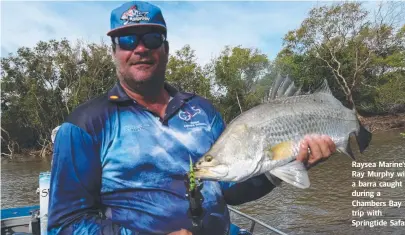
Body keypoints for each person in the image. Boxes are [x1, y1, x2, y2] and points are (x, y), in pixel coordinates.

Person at [47, 1, 336, 234]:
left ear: (166, 48)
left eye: (152, 37)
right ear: (114, 52)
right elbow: (65, 224)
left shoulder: (202, 111)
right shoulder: (85, 125)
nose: (141, 48)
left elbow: (229, 189)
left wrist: (279, 169)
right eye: (127, 40)